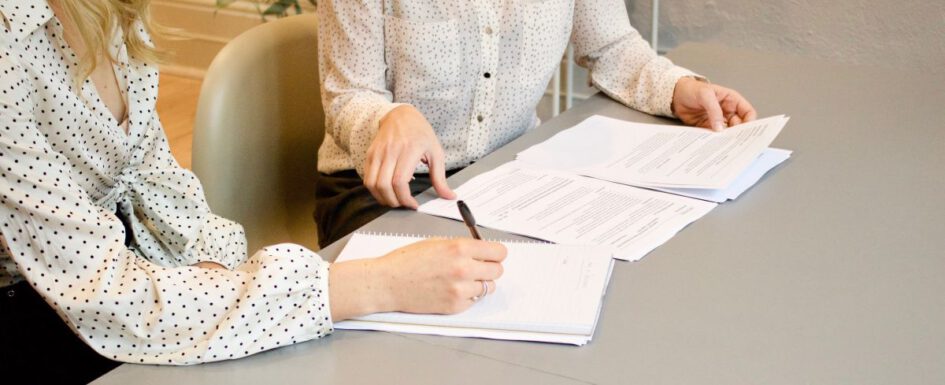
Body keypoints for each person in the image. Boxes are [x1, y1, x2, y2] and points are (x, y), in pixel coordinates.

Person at [0, 0, 506, 383]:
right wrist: (377, 285)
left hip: (119, 273)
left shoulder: (112, 12)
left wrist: (217, 270)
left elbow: (155, 180)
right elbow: (110, 296)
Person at [315, 0, 758, 247]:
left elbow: (611, 46)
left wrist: (677, 88)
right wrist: (389, 118)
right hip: (382, 189)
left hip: (508, 177)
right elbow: (348, 95)